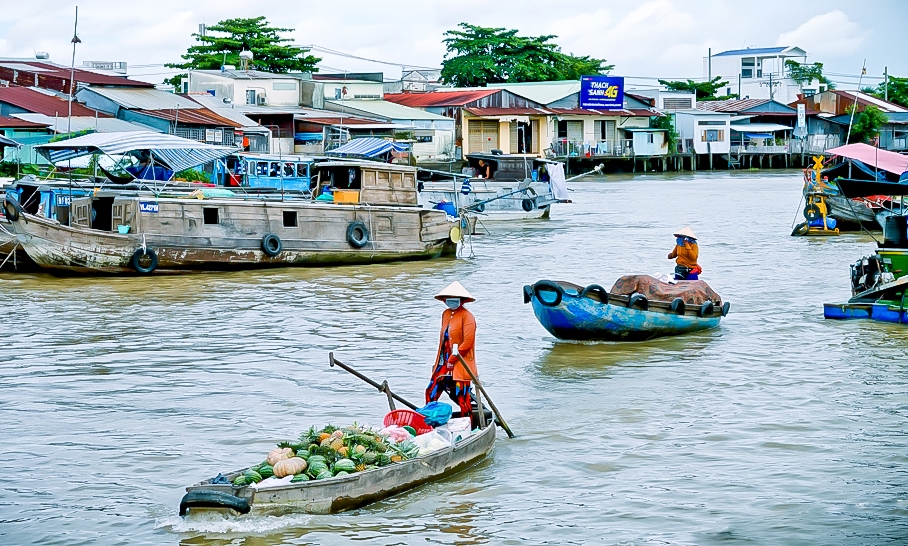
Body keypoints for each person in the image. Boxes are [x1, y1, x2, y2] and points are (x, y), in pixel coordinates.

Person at [426, 281, 477, 418]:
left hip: (460, 363)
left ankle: (468, 424)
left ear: (462, 300)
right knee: (431, 391)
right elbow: (443, 341)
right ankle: (430, 421)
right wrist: (439, 363)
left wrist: (452, 360)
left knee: (462, 397)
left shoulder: (468, 317)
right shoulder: (446, 314)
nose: (451, 301)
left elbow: (467, 343)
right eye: (449, 298)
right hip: (443, 363)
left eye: (455, 299)